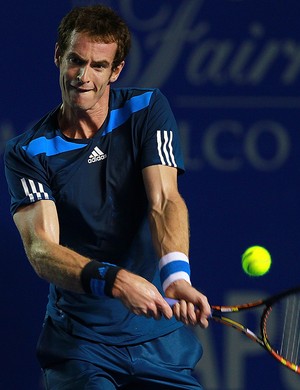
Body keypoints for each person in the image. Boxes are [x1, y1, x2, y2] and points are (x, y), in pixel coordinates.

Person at [5, 4, 211, 389]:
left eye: (99, 66)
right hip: (81, 346)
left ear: (116, 71)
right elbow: (41, 249)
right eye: (75, 61)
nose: (83, 77)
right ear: (58, 57)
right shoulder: (27, 152)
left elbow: (164, 200)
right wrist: (114, 279)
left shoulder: (146, 109)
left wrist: (176, 275)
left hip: (157, 341)